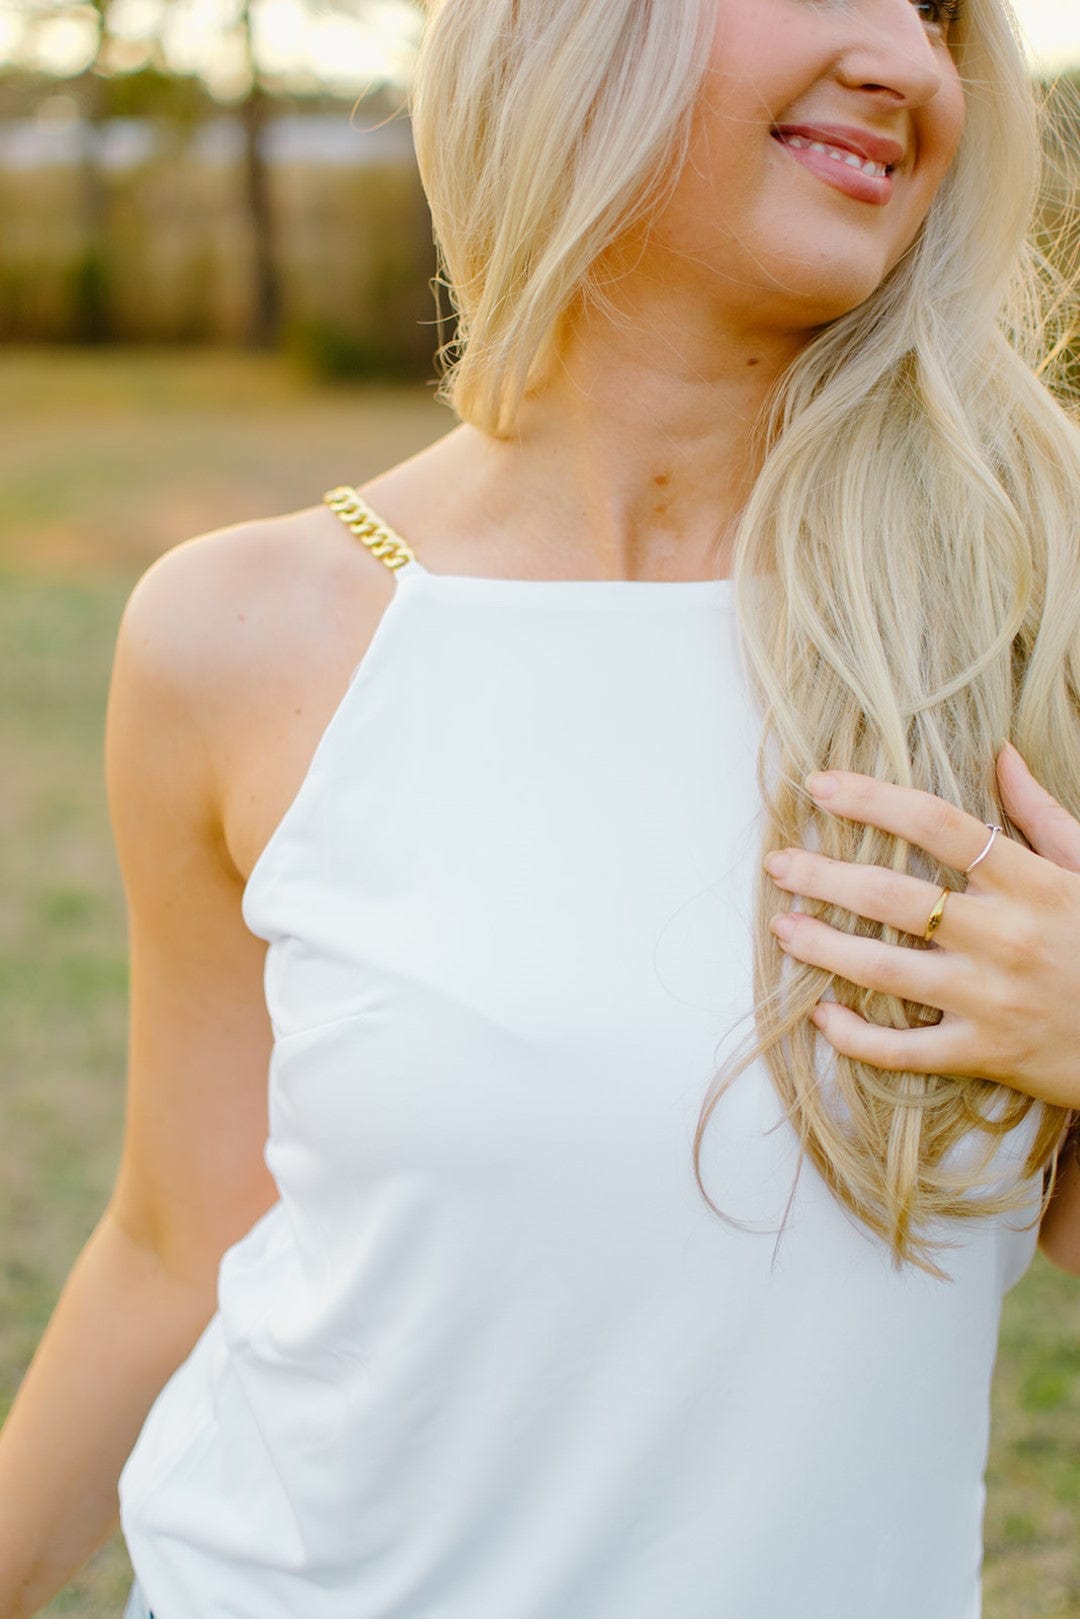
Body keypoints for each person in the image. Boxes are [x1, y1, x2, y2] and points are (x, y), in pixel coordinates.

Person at [3, 0, 1080, 1615]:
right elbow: (174, 1244)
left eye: (937, 15)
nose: (911, 62)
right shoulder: (236, 635)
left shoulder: (1026, 619)